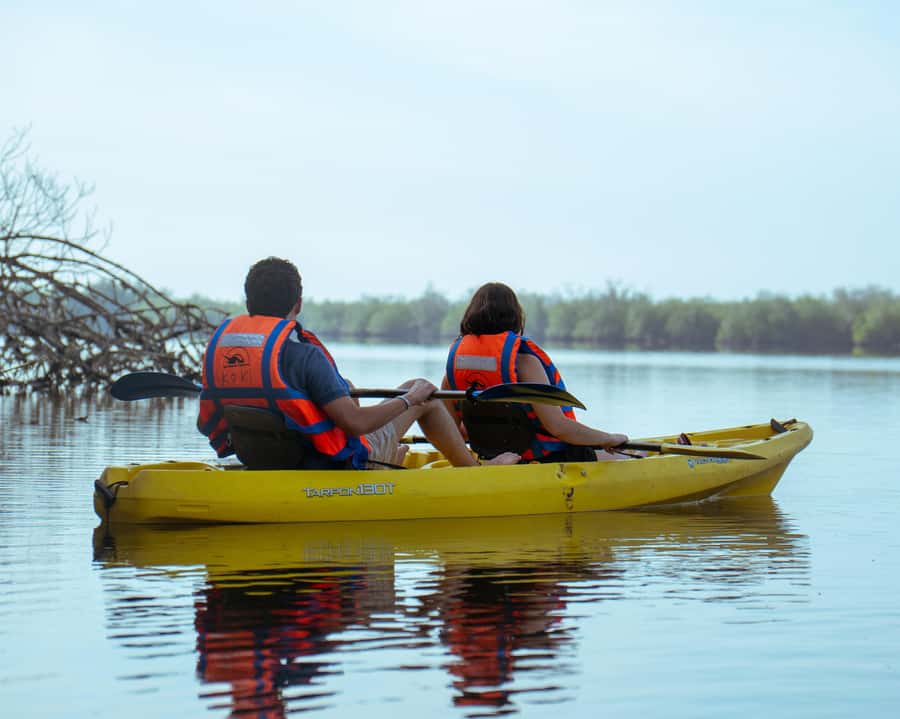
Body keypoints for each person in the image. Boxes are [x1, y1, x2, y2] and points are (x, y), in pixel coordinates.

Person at [197, 258, 518, 469]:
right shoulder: (304, 353)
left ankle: (388, 457)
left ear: (247, 301)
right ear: (298, 302)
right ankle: (474, 471)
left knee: (347, 387)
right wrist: (409, 400)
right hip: (323, 462)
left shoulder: (223, 348)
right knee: (425, 393)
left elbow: (207, 422)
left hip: (265, 457)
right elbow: (356, 425)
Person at [443, 282, 635, 462]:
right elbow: (558, 428)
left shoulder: (454, 367)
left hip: (491, 458)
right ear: (515, 318)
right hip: (548, 460)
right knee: (631, 458)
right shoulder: (525, 364)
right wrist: (608, 438)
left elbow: (450, 431)